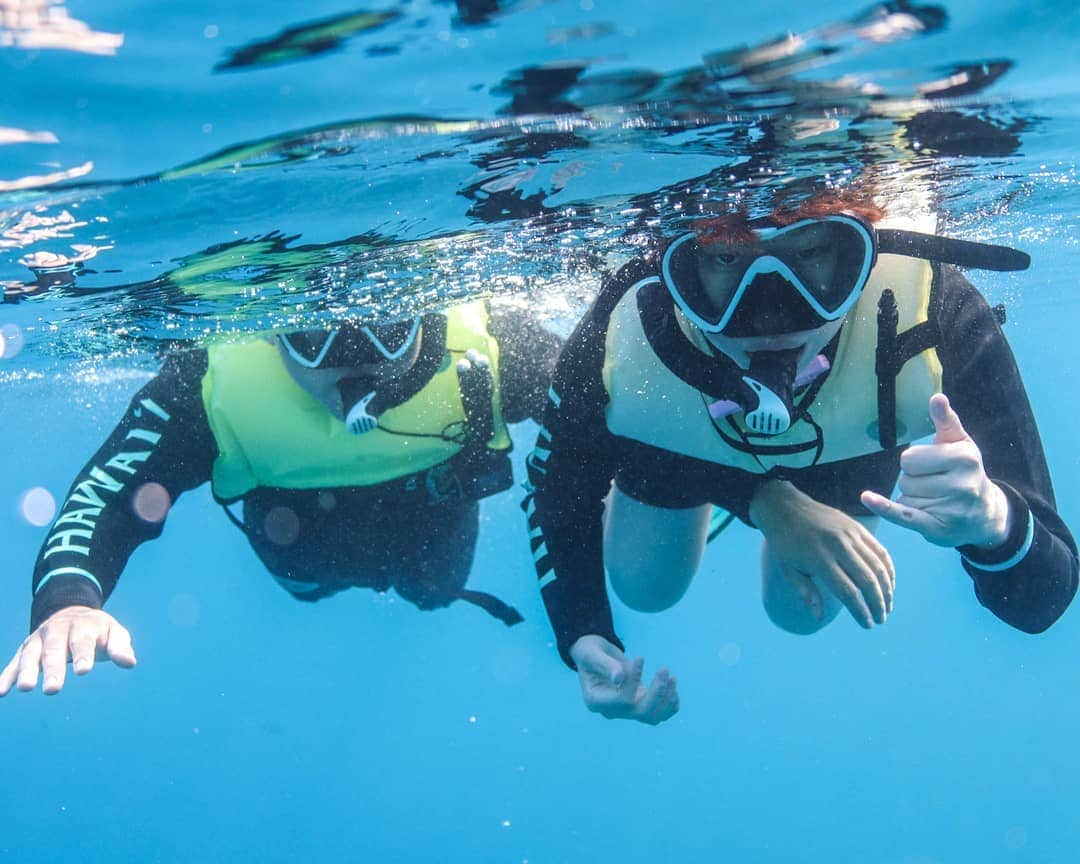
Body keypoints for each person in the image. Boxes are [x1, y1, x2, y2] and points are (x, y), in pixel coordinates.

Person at [522, 186, 1078, 725]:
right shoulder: (627, 320)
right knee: (644, 588)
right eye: (722, 258)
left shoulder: (935, 309)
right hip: (676, 449)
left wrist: (993, 522)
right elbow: (553, 485)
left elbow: (1042, 601)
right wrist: (583, 629)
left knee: (798, 615)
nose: (769, 314)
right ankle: (752, 496)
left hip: (844, 463)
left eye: (810, 252)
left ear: (861, 254)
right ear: (677, 274)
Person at [1, 299, 561, 696]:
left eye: (386, 327)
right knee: (311, 586)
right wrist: (70, 601)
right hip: (300, 550)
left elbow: (600, 426)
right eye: (317, 337)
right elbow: (107, 492)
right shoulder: (209, 385)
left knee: (435, 589)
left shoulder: (497, 346)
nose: (354, 360)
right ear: (271, 332)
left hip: (432, 542)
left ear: (429, 314)